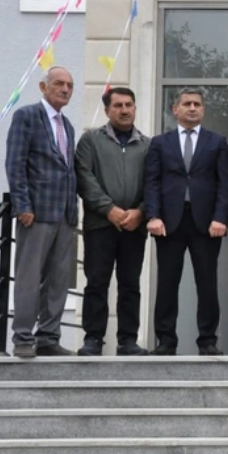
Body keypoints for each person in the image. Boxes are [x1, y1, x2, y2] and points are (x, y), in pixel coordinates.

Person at [144, 88, 228, 356]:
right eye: (187, 104)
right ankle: (165, 341)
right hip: (168, 223)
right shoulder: (160, 143)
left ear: (203, 110)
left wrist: (220, 218)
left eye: (197, 104)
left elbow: (225, 184)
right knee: (167, 283)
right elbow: (152, 181)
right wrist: (153, 216)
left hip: (206, 224)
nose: (192, 108)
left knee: (207, 283)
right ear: (175, 109)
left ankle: (207, 340)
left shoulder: (217, 142)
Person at [4, 66, 79, 358]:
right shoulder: (27, 116)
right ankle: (23, 337)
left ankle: (48, 337)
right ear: (43, 87)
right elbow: (15, 163)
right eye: (59, 83)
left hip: (65, 215)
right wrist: (22, 204)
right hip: (36, 213)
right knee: (29, 277)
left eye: (69, 85)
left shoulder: (67, 125)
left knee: (58, 281)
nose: (65, 89)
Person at [74, 87, 150, 356]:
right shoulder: (91, 140)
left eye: (129, 105)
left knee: (130, 284)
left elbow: (154, 183)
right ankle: (93, 339)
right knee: (97, 282)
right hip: (100, 225)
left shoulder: (147, 145)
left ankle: (128, 341)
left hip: (135, 226)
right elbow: (84, 178)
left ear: (135, 109)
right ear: (107, 110)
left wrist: (140, 212)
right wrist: (109, 209)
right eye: (118, 105)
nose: (124, 110)